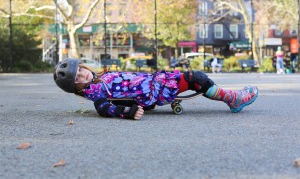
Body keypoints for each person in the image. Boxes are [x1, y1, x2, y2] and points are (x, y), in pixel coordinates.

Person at [54, 58, 258, 120]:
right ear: (76, 87)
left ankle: (232, 98)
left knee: (196, 78)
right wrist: (127, 111)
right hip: (156, 91)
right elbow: (103, 108)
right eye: (78, 78)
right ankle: (233, 98)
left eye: (81, 70)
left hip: (157, 81)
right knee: (197, 78)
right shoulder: (97, 93)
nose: (83, 75)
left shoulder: (101, 77)